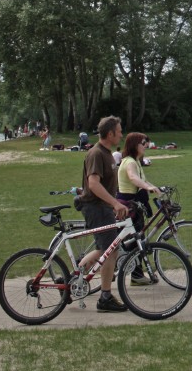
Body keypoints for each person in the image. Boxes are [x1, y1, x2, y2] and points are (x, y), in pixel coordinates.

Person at [76, 116, 129, 312]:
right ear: (110, 134)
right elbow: (93, 184)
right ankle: (105, 297)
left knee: (107, 249)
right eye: (119, 131)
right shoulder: (96, 154)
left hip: (103, 207)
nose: (121, 134)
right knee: (110, 250)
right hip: (96, 207)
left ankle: (76, 277)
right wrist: (114, 203)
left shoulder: (107, 153)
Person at [115, 131, 162, 284]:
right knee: (134, 240)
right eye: (143, 143)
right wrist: (147, 188)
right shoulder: (129, 162)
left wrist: (155, 187)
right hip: (127, 204)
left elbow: (143, 179)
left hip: (134, 203)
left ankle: (136, 273)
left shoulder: (135, 160)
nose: (146, 145)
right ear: (134, 145)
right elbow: (133, 178)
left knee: (137, 239)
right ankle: (135, 274)